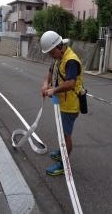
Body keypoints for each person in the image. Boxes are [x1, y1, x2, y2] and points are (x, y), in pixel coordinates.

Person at [40, 31, 83, 176]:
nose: (51, 55)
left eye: (52, 52)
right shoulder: (59, 56)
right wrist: (46, 83)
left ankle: (64, 164)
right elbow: (51, 70)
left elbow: (71, 83)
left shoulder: (71, 60)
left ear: (59, 46)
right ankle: (61, 152)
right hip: (61, 102)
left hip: (70, 105)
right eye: (49, 53)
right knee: (61, 132)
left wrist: (54, 90)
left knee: (65, 135)